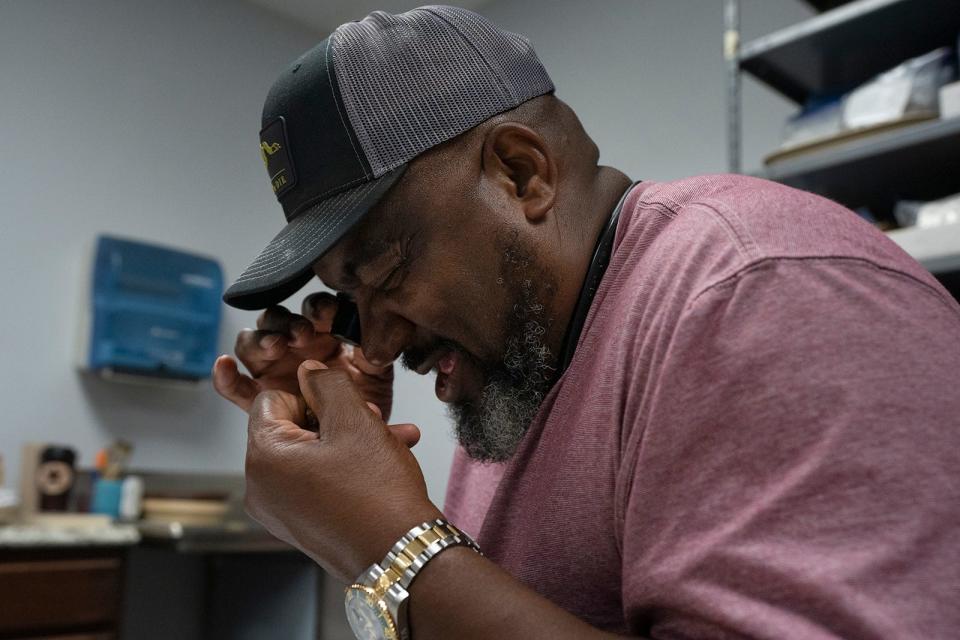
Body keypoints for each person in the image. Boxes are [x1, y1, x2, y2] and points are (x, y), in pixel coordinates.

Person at [212, 6, 960, 639]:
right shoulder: (518, 364)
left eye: (384, 275)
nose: (375, 343)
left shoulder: (764, 292)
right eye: (348, 304)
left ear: (521, 174)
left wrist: (385, 544)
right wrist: (362, 501)